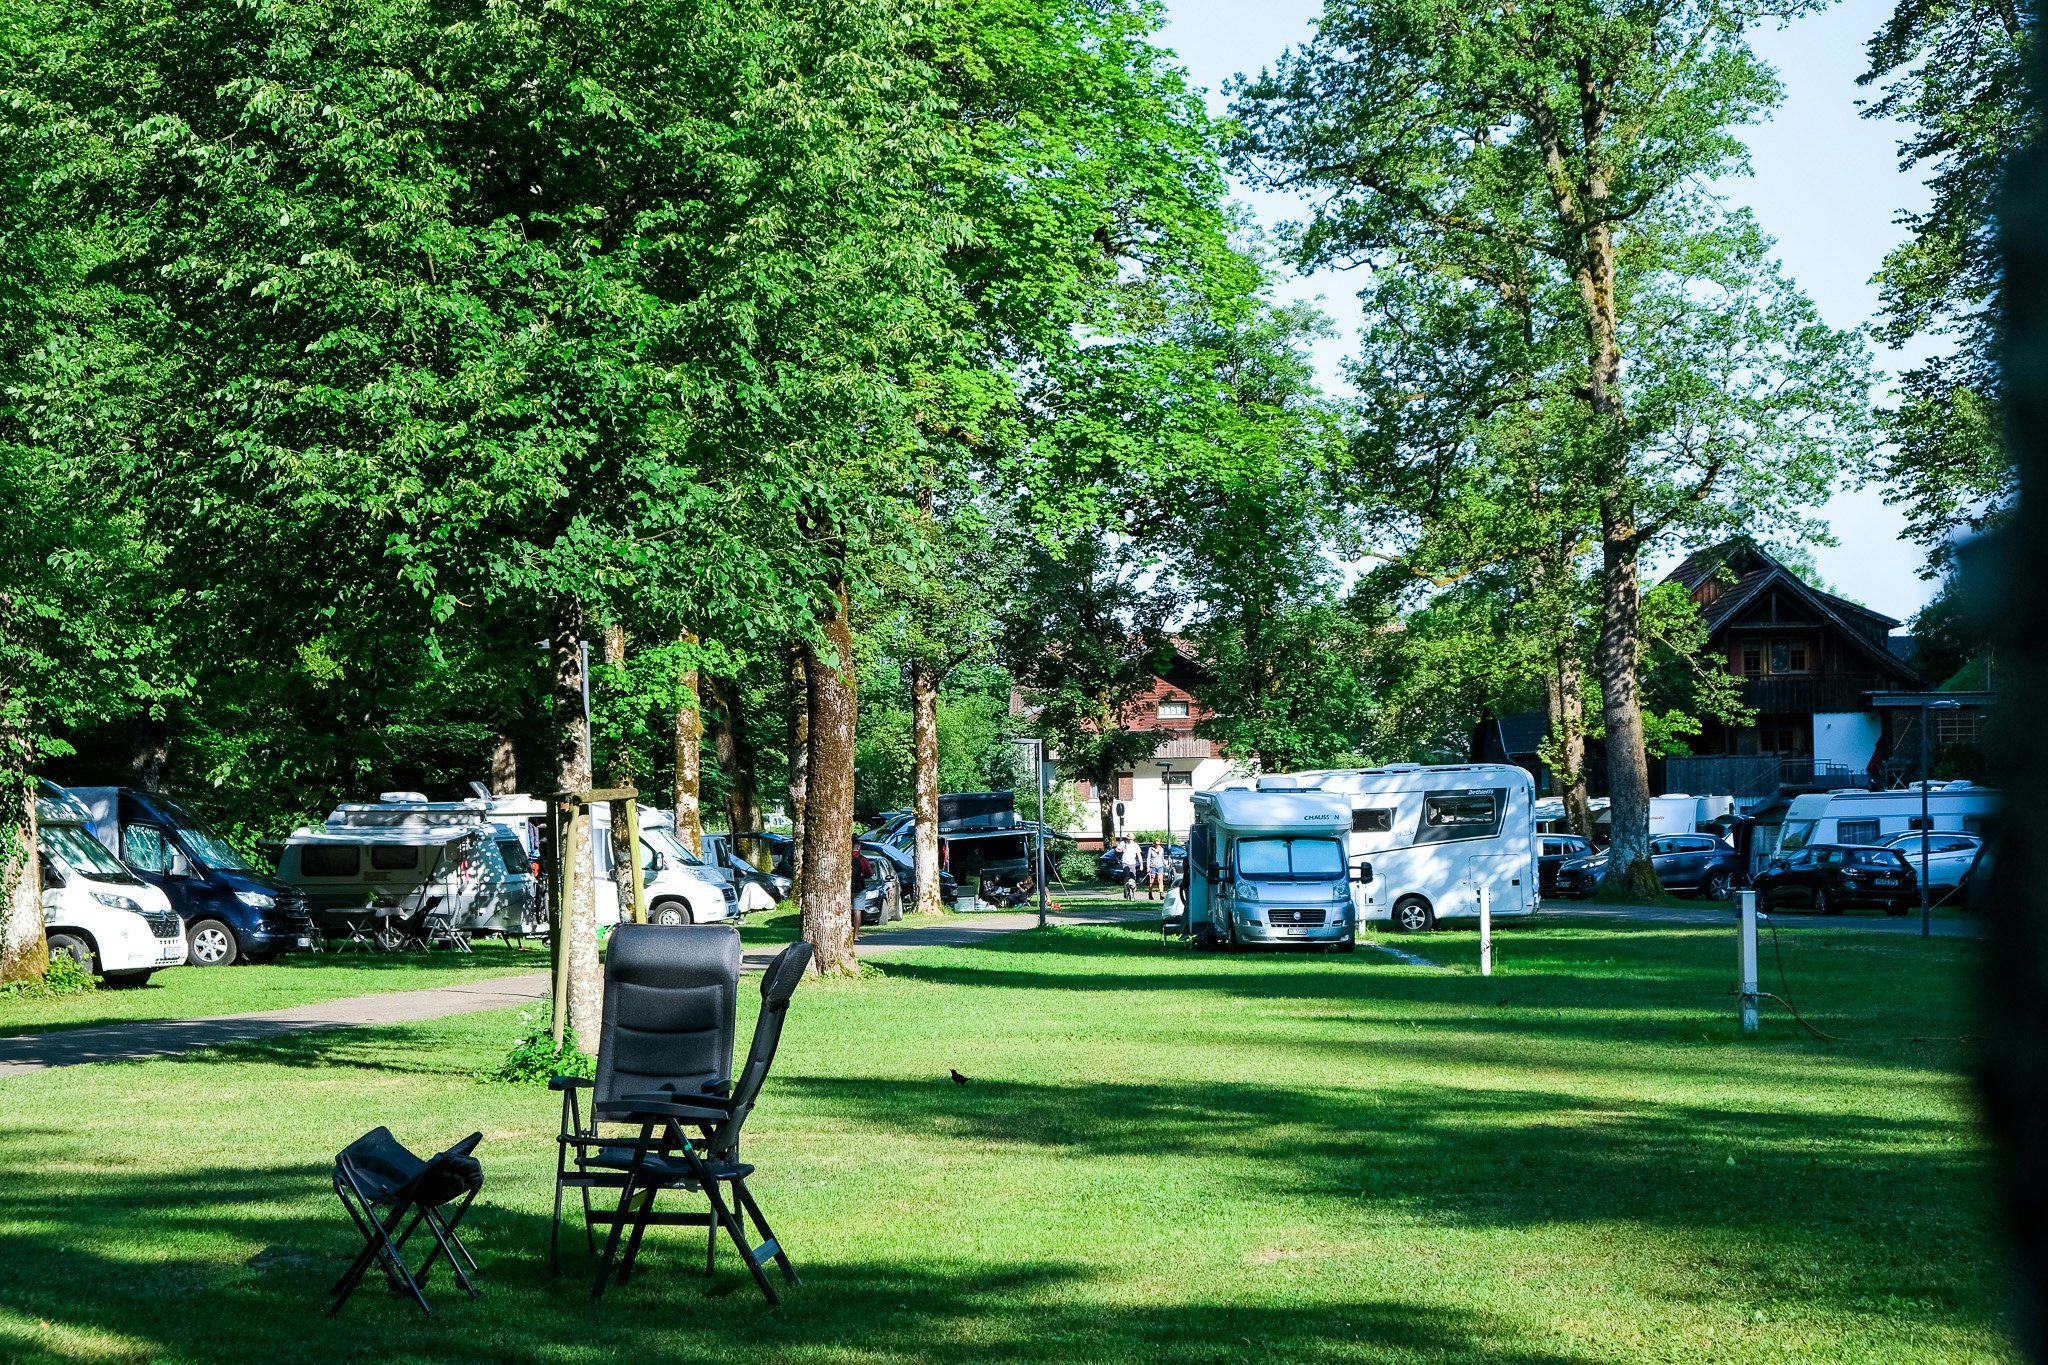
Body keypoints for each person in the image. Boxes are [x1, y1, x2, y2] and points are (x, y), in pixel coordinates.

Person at [1117, 835, 1142, 900]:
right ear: (1127, 838)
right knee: (1126, 877)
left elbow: (1139, 855)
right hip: (1125, 862)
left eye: (1131, 839)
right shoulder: (1123, 843)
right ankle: (1126, 891)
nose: (1130, 840)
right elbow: (1117, 849)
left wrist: (1141, 864)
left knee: (1132, 879)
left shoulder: (1136, 845)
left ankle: (1133, 893)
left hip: (1132, 863)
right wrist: (1122, 850)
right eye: (1129, 839)